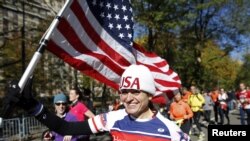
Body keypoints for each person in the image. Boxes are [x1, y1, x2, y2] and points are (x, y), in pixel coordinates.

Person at [4, 64, 190, 141]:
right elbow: (66, 129)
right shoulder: (115, 117)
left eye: (136, 91)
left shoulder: (171, 131)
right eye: (124, 92)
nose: (128, 98)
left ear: (150, 95)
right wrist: (34, 107)